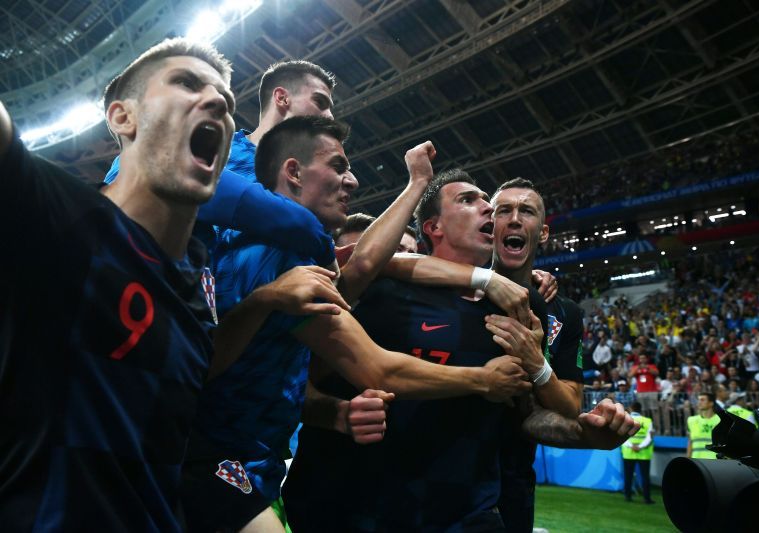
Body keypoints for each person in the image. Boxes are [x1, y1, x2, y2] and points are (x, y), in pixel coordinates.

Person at [181, 120, 530, 532]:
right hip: (218, 458)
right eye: (338, 166)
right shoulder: (285, 253)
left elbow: (367, 265)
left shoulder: (253, 246)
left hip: (245, 459)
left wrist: (337, 414)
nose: (352, 180)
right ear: (293, 172)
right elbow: (377, 368)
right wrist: (482, 380)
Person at [284, 171, 637, 532]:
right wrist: (337, 414)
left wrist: (584, 434)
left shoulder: (519, 306)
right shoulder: (379, 288)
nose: (488, 208)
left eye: (487, 200)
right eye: (469, 200)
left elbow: (525, 415)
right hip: (365, 507)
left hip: (467, 511)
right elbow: (301, 382)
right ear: (433, 227)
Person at [0, 38, 235, 530]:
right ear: (122, 118)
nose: (217, 102)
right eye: (186, 83)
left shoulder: (199, 290)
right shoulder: (53, 215)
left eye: (226, 99)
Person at [105, 60, 340, 267]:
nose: (330, 115)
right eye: (320, 102)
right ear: (282, 98)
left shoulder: (314, 176)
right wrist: (318, 239)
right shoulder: (213, 152)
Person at [621, 401, 655, 504]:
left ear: (630, 408)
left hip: (628, 452)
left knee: (628, 475)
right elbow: (649, 438)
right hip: (643, 453)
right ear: (640, 409)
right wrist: (639, 446)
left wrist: (632, 446)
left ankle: (627, 496)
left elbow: (621, 436)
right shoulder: (648, 421)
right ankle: (647, 498)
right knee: (645, 476)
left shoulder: (625, 419)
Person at [686, 392, 721, 459]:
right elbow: (690, 442)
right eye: (698, 400)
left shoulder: (720, 420)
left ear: (711, 403)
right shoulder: (691, 420)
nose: (699, 402)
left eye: (702, 400)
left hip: (716, 462)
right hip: (697, 462)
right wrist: (688, 460)